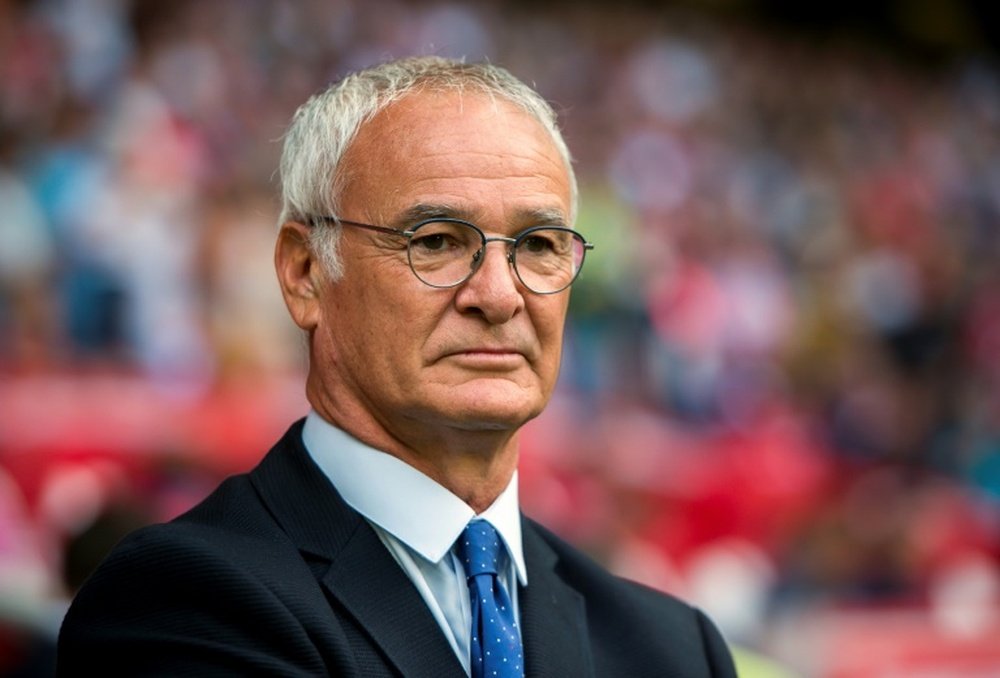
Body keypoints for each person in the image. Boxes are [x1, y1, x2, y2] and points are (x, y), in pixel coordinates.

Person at [57, 56, 736, 677]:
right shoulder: (182, 601)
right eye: (437, 241)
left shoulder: (675, 649)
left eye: (538, 245)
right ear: (304, 273)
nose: (500, 295)